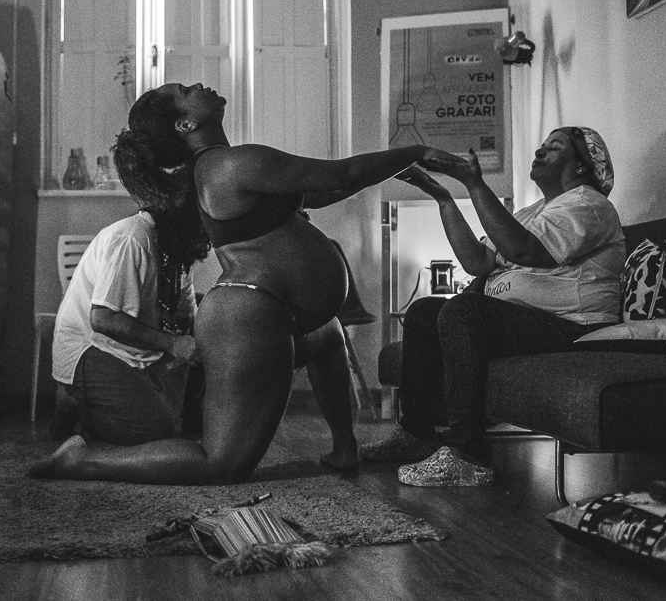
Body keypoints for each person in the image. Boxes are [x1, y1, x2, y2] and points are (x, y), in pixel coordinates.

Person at [29, 82, 459, 485]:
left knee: (328, 337)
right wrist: (415, 151)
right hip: (249, 315)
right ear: (186, 124)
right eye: (185, 91)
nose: (199, 85)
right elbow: (342, 175)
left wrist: (390, 169)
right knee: (221, 464)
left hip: (264, 310)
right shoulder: (229, 165)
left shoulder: (221, 168)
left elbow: (321, 191)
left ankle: (344, 449)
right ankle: (82, 461)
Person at [359, 126, 624, 488]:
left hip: (573, 324)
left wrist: (475, 184)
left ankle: (465, 451)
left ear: (581, 165)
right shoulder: (534, 212)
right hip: (529, 321)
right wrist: (443, 198)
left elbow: (523, 250)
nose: (541, 151)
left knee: (465, 310)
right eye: (543, 144)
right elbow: (477, 260)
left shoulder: (588, 205)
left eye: (555, 147)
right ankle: (416, 433)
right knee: (425, 311)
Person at [49, 155, 211, 446]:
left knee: (209, 322)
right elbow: (103, 319)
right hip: (89, 345)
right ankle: (76, 404)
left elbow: (187, 313)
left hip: (129, 346)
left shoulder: (177, 248)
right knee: (154, 433)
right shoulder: (132, 238)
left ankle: (183, 419)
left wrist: (205, 339)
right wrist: (173, 344)